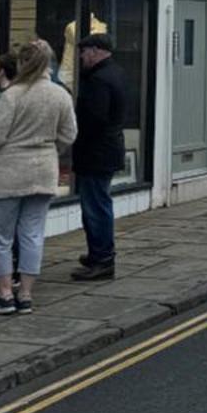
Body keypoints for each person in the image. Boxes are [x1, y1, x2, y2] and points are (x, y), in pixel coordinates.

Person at [0, 38, 76, 316]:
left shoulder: (14, 94)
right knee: (33, 235)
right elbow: (69, 134)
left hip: (7, 172)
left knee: (0, 237)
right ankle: (26, 295)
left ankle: (5, 294)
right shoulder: (60, 95)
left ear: (22, 63)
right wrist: (48, 149)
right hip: (43, 170)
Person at [69, 30, 127, 282]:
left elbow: (93, 119)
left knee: (95, 207)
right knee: (98, 204)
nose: (81, 56)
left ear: (95, 51)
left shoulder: (99, 80)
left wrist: (74, 136)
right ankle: (98, 254)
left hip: (96, 152)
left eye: (84, 51)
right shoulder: (116, 73)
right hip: (107, 148)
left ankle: (102, 260)